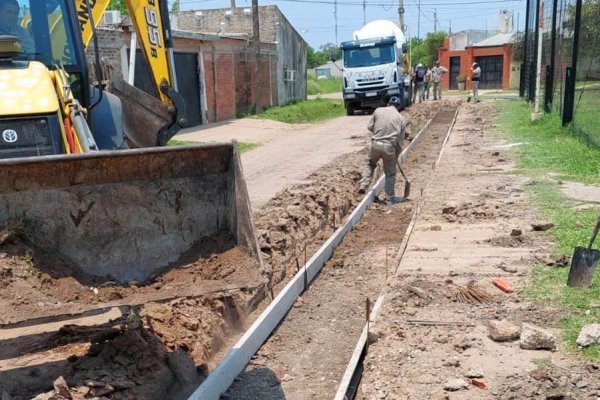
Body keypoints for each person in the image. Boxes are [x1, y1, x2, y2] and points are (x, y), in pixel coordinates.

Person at [357, 96, 407, 205]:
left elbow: (369, 126)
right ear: (398, 107)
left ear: (388, 104)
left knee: (370, 164)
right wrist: (396, 155)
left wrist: (379, 132)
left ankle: (363, 185)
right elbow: (400, 141)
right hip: (389, 147)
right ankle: (390, 198)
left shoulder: (378, 110)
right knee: (390, 174)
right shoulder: (400, 118)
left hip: (375, 144)